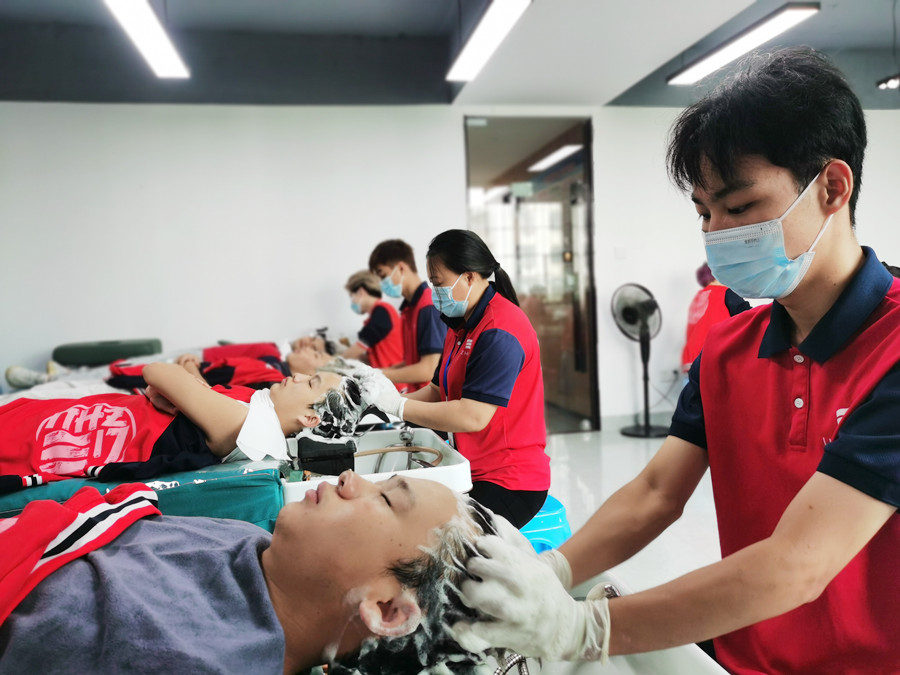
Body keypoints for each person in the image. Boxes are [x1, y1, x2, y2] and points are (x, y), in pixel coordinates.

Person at [448, 47, 900, 673]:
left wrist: (584, 628)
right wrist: (555, 570)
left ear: (831, 187)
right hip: (743, 651)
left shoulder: (891, 347)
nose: (717, 234)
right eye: (704, 213)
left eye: (739, 208)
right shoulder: (728, 349)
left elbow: (800, 562)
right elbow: (657, 492)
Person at [0, 470, 517, 673]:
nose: (351, 478)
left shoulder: (188, 659)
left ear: (386, 610)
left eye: (385, 498)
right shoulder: (254, 543)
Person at [374, 229, 551, 528]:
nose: (435, 292)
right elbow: (436, 391)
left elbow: (472, 415)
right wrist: (380, 404)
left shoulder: (499, 330)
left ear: (469, 277)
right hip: (471, 467)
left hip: (509, 480)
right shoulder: (461, 324)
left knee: (435, 540)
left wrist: (398, 407)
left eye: (438, 283)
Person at [0, 361, 367, 493]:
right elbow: (187, 389)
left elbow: (156, 371)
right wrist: (184, 385)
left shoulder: (248, 426)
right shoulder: (257, 411)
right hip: (93, 419)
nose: (298, 376)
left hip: (77, 434)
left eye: (310, 382)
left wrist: (172, 383)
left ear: (310, 418)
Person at [369, 238, 447, 392]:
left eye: (383, 275)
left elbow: (428, 369)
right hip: (414, 395)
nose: (381, 283)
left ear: (400, 268)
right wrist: (375, 373)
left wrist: (378, 376)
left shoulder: (428, 307)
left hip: (428, 399)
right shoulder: (409, 309)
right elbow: (412, 361)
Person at [681, 261, 751, 373]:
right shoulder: (725, 293)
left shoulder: (699, 296)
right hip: (712, 359)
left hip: (691, 361)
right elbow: (749, 316)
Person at [340, 270, 405, 374]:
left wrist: (332, 362)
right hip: (388, 376)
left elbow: (357, 349)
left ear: (361, 292)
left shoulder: (382, 313)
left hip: (396, 379)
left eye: (352, 296)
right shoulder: (378, 314)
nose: (352, 301)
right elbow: (372, 359)